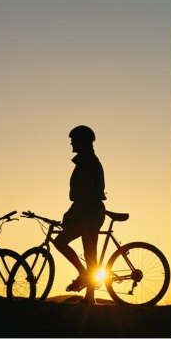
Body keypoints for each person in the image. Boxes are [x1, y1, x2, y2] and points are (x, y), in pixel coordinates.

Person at [53, 125, 106, 304]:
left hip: (89, 212)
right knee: (88, 252)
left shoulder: (87, 162)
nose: (71, 144)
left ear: (82, 142)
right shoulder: (87, 160)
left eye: (73, 140)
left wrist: (70, 215)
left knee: (87, 252)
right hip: (88, 211)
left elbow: (84, 195)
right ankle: (88, 288)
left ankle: (88, 290)